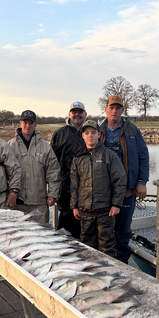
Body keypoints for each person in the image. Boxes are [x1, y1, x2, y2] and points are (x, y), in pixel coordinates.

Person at [98, 96, 150, 264]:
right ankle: (105, 263)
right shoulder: (97, 131)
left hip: (127, 190)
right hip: (103, 190)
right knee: (103, 229)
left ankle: (122, 264)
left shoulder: (133, 131)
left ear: (123, 110)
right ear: (105, 109)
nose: (114, 111)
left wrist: (141, 182)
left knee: (123, 229)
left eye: (118, 108)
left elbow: (143, 156)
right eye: (111, 108)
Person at [70, 120, 127, 256]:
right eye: (87, 133)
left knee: (106, 246)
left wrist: (116, 204)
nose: (90, 136)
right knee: (86, 246)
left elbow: (119, 180)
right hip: (85, 210)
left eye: (93, 133)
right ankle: (90, 274)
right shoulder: (78, 158)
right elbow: (74, 184)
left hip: (106, 211)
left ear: (99, 135)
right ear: (83, 136)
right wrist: (74, 206)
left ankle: (109, 274)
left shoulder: (109, 155)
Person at [8, 111, 61, 225]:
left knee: (42, 237)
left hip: (39, 203)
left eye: (30, 123)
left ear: (35, 124)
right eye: (25, 122)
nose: (28, 126)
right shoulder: (9, 146)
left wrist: (52, 194)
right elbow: (4, 172)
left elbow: (53, 172)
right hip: (16, 203)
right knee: (18, 238)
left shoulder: (45, 146)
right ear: (20, 123)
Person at [51, 101, 89, 238]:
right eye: (74, 112)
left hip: (87, 188)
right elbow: (52, 163)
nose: (77, 114)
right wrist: (53, 188)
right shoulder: (59, 134)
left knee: (86, 223)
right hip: (66, 187)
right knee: (65, 227)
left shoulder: (92, 133)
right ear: (69, 114)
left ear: (85, 114)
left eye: (80, 112)